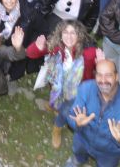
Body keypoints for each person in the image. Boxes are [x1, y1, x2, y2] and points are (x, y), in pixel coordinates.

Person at [25, 20, 102, 149]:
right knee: (55, 97)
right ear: (60, 34)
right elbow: (30, 53)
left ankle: (57, 127)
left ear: (80, 35)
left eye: (73, 33)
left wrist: (101, 64)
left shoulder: (90, 52)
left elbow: (106, 75)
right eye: (65, 32)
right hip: (57, 85)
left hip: (77, 91)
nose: (69, 36)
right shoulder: (56, 46)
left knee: (65, 110)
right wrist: (37, 47)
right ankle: (53, 106)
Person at [64, 60, 120, 167]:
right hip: (82, 140)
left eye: (108, 75)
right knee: (78, 153)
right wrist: (77, 124)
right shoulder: (86, 87)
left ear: (117, 77)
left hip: (109, 153)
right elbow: (71, 116)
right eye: (99, 75)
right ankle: (78, 159)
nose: (103, 80)